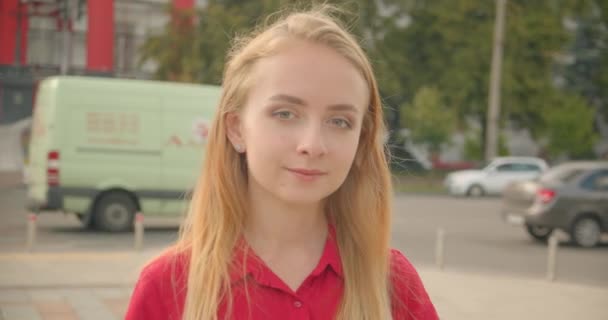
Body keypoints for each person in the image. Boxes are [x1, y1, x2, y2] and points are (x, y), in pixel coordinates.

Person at [126, 6, 438, 320]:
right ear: (236, 128)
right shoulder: (168, 286)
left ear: (360, 140)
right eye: (285, 114)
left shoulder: (392, 284)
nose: (312, 145)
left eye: (340, 121)